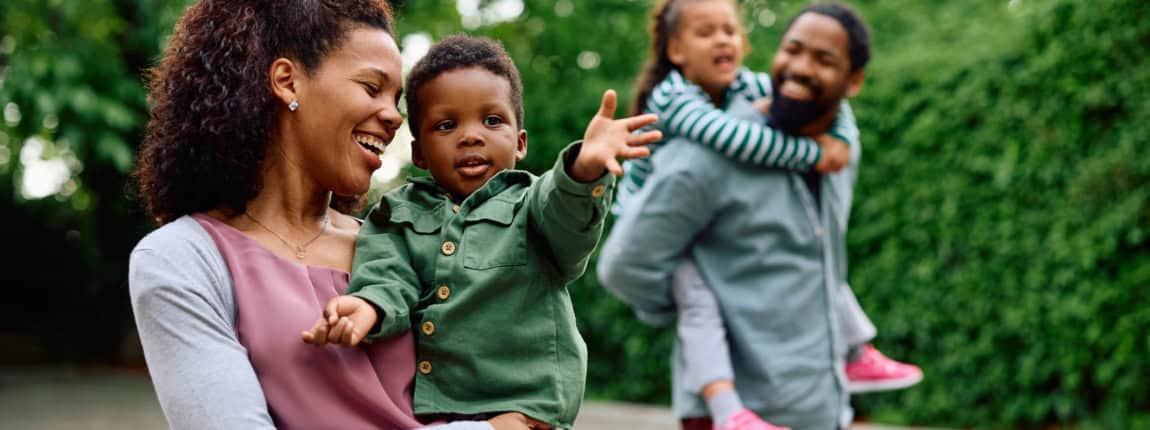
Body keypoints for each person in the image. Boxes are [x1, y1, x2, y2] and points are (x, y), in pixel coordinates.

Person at [129, 1, 536, 429]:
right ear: (288, 82)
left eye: (396, 99)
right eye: (371, 87)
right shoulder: (182, 260)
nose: (394, 117)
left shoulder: (406, 246)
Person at [301, 35, 661, 430]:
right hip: (439, 410)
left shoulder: (531, 205)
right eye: (447, 124)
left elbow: (569, 222)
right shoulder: (397, 213)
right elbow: (389, 274)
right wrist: (369, 306)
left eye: (492, 120)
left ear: (520, 142)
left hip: (525, 411)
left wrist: (583, 170)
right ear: (419, 153)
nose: (471, 136)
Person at [598, 3, 916, 429]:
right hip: (727, 417)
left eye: (824, 60)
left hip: (823, 410)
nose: (801, 67)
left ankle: (857, 352)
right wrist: (702, 303)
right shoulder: (703, 152)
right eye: (793, 49)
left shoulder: (841, 149)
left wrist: (834, 143)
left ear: (853, 81)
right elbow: (624, 267)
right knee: (699, 297)